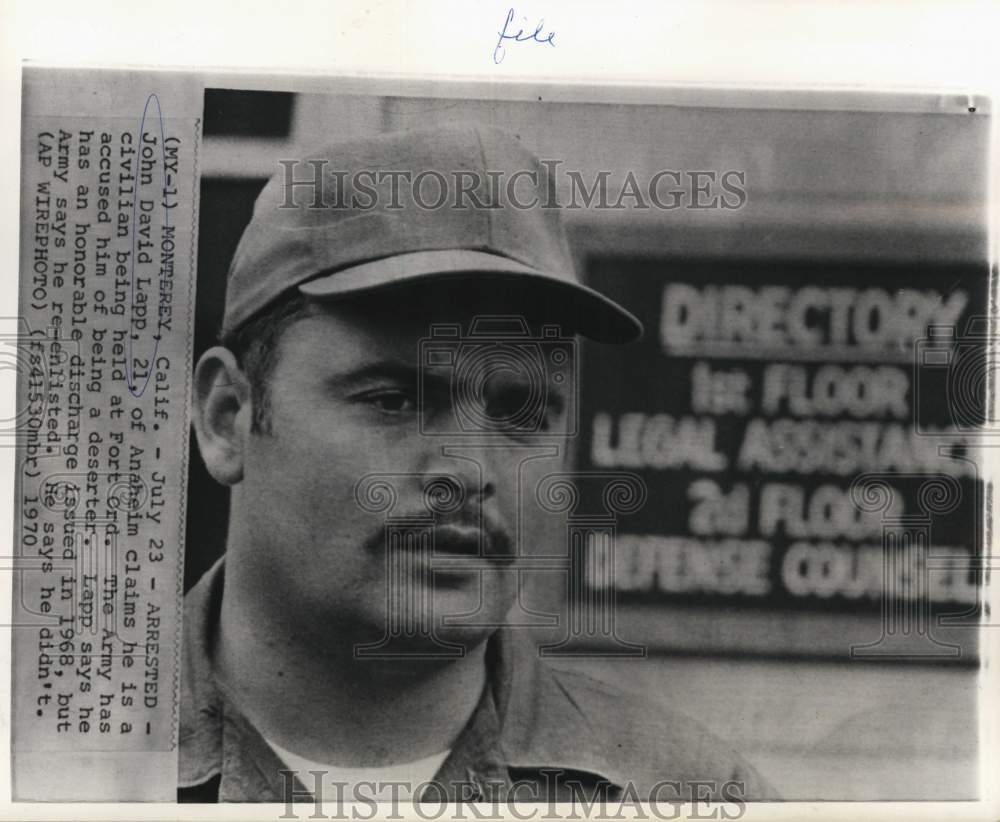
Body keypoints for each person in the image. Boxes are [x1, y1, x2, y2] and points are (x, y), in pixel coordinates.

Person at [181, 124, 775, 805]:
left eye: (520, 411)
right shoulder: (60, 752)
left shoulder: (687, 793)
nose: (468, 470)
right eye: (395, 399)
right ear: (228, 417)